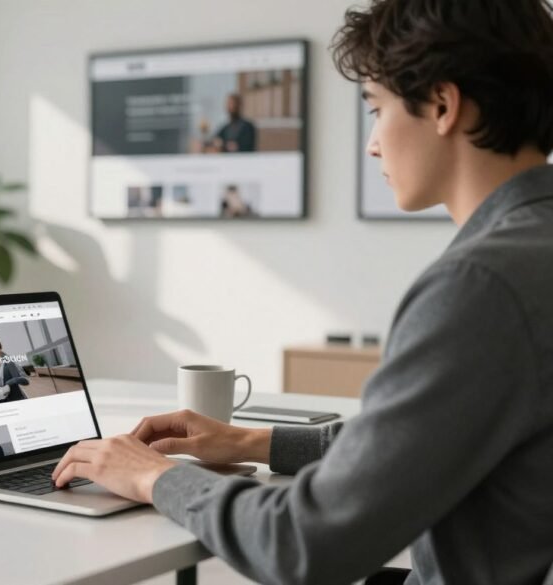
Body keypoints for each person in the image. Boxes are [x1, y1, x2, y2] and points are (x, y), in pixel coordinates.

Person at [52, 1, 553, 583]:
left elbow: (307, 543)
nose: (372, 144)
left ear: (442, 105)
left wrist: (151, 477)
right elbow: (422, 444)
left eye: (377, 109)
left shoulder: (480, 287)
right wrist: (248, 440)